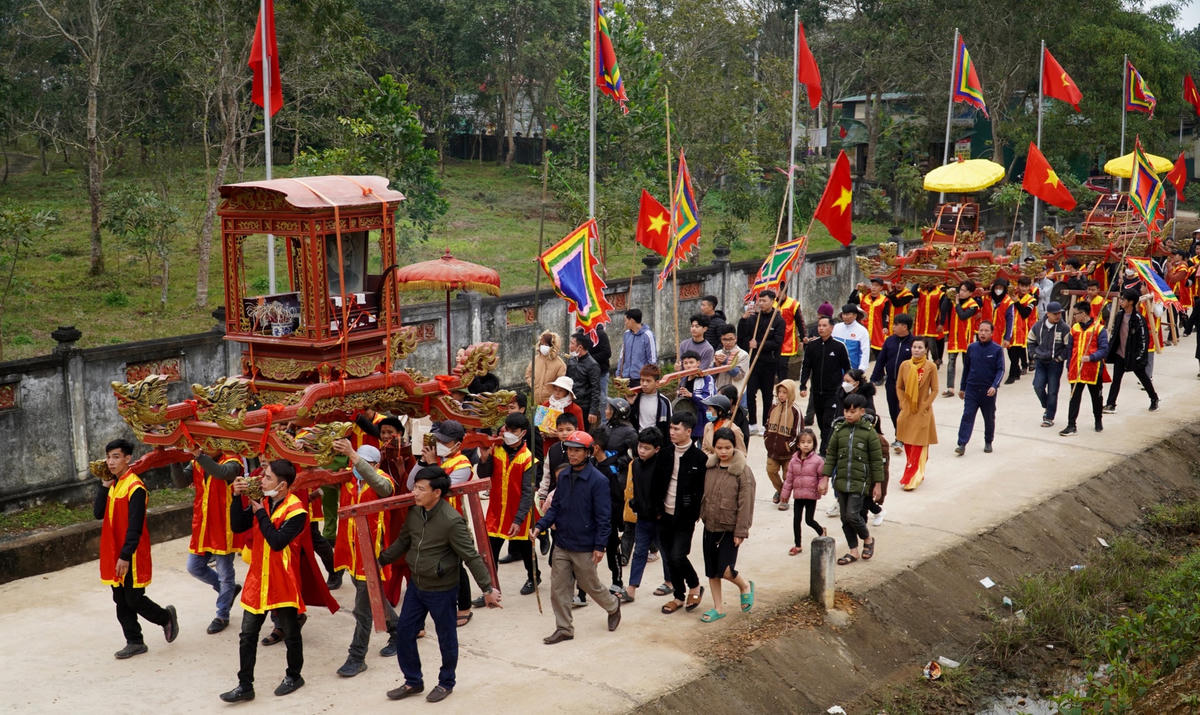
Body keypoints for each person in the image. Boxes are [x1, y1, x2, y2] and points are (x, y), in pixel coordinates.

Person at [380, 467, 501, 703]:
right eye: (415, 487)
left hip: (442, 590)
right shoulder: (415, 512)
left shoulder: (452, 521)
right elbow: (403, 541)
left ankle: (446, 682)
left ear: (437, 493)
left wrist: (487, 589)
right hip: (417, 586)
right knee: (404, 633)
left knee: (446, 638)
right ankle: (413, 681)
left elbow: (471, 556)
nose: (414, 492)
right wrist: (379, 560)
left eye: (420, 489)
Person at [220, 459, 306, 702]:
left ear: (283, 485)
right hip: (258, 578)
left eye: (267, 477)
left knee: (290, 632)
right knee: (247, 634)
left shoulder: (297, 510)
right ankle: (244, 685)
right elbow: (238, 526)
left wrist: (260, 513)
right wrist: (237, 498)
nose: (261, 480)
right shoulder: (264, 501)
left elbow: (277, 542)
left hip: (281, 579)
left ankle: (294, 675)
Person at [532, 431, 622, 644]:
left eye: (577, 450)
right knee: (558, 588)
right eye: (569, 450)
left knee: (590, 584)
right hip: (562, 542)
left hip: (585, 544)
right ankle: (564, 628)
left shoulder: (598, 481)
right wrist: (540, 526)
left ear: (588, 453)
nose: (572, 454)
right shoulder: (563, 476)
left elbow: (603, 516)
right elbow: (556, 507)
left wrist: (600, 545)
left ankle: (612, 606)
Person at [95, 439, 178, 660]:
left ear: (127, 458)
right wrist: (103, 486)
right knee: (119, 599)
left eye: (115, 457)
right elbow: (97, 513)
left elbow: (135, 525)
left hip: (130, 552)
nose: (110, 462)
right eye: (109, 457)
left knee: (133, 598)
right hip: (113, 551)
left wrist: (125, 555)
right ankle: (134, 641)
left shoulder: (136, 488)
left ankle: (165, 617)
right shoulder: (113, 484)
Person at [329, 440, 398, 677]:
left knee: (363, 609)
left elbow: (383, 488)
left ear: (376, 464)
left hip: (372, 554)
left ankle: (357, 657)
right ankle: (399, 631)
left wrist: (353, 455)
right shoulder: (349, 480)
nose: (358, 466)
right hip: (351, 552)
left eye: (365, 463)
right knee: (373, 595)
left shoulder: (384, 481)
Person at [408, 420, 476, 627]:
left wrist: (432, 466)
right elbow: (411, 485)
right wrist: (421, 462)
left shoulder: (462, 464)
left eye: (443, 441)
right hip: (430, 520)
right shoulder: (433, 460)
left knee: (456, 563)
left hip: (453, 521)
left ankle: (464, 606)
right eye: (436, 440)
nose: (438, 444)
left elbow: (443, 489)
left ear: (456, 443)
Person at [183, 445, 243, 634]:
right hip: (202, 524)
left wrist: (200, 456)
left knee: (225, 572)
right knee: (194, 567)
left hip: (223, 525)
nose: (205, 446)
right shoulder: (197, 461)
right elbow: (180, 481)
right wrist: (173, 461)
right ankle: (228, 591)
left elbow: (221, 473)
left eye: (210, 442)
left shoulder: (233, 461)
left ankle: (222, 614)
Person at [697, 428, 756, 622]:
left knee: (726, 570)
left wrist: (741, 530)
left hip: (730, 528)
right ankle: (718, 607)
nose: (723, 452)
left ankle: (745, 586)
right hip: (710, 526)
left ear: (734, 447)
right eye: (719, 447)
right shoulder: (710, 467)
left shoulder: (743, 472)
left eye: (727, 447)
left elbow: (745, 503)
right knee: (712, 570)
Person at [479, 413, 538, 598]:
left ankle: (534, 578)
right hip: (496, 512)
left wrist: (518, 519)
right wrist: (484, 459)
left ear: (523, 433)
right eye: (507, 428)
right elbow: (483, 474)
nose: (509, 433)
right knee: (491, 553)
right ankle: (490, 589)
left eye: (514, 430)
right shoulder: (496, 449)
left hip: (518, 514)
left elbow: (528, 494)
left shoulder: (528, 459)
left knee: (526, 551)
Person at [656, 413, 708, 614]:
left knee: (678, 555)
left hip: (685, 518)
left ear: (688, 431)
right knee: (669, 557)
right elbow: (656, 483)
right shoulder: (665, 453)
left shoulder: (699, 458)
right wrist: (656, 511)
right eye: (670, 428)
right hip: (664, 514)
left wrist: (694, 513)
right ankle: (678, 596)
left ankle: (694, 586)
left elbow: (701, 490)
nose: (672, 432)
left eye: (676, 429)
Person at [823, 394, 884, 565]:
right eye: (846, 411)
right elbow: (831, 456)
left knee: (852, 514)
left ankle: (868, 539)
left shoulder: (869, 433)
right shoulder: (839, 430)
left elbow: (877, 461)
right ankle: (853, 551)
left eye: (852, 411)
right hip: (841, 481)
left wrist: (877, 485)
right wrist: (825, 478)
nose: (848, 415)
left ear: (861, 411)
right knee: (844, 518)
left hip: (860, 482)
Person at [623, 427, 671, 602]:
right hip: (642, 516)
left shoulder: (662, 465)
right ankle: (631, 588)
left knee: (666, 551)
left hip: (660, 517)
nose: (642, 451)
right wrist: (635, 504)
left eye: (646, 448)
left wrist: (660, 512)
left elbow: (663, 490)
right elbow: (636, 487)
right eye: (640, 446)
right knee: (640, 551)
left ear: (657, 449)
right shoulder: (635, 464)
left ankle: (669, 581)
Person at [799, 316, 852, 456]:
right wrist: (803, 385)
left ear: (831, 328)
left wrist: (847, 388)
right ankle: (826, 444)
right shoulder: (812, 346)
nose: (821, 328)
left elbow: (847, 369)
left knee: (829, 422)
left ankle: (824, 451)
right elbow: (806, 367)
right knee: (822, 422)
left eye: (824, 325)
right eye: (819, 325)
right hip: (816, 392)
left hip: (833, 392)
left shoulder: (839, 347)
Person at [736, 290, 786, 433]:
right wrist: (743, 320)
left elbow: (777, 342)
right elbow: (742, 339)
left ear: (772, 301)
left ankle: (766, 422)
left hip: (769, 362)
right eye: (760, 300)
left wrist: (759, 344)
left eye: (764, 301)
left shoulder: (778, 320)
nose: (761, 303)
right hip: (753, 362)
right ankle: (752, 422)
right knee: (750, 392)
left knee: (767, 394)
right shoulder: (753, 319)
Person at [1104, 289, 1160, 413]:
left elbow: (1143, 340)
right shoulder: (1119, 315)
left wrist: (1139, 356)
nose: (1121, 301)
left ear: (1131, 302)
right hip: (1120, 354)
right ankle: (1110, 404)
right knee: (1116, 380)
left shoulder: (1138, 319)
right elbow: (1115, 335)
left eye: (1123, 299)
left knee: (1144, 378)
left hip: (1132, 355)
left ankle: (1154, 398)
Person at [954, 321, 1005, 455]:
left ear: (992, 333)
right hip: (972, 389)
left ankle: (988, 441)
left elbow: (1001, 370)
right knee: (967, 415)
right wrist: (962, 387)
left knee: (989, 417)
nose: (982, 333)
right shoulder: (971, 348)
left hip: (988, 391)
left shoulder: (997, 349)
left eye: (986, 331)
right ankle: (962, 444)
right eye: (981, 330)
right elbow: (966, 369)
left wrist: (994, 386)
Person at [895, 337, 939, 490]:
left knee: (918, 444)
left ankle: (911, 477)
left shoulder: (931, 366)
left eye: (920, 347)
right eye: (914, 347)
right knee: (908, 441)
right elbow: (899, 386)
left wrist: (926, 405)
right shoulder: (904, 365)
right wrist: (902, 402)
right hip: (908, 409)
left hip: (922, 410)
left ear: (926, 349)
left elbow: (935, 389)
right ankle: (916, 470)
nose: (917, 350)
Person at [1060, 301, 1109, 436]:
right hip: (1076, 369)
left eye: (1075, 314)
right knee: (1074, 397)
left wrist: (1091, 357)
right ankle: (1071, 425)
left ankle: (1098, 420)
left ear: (1084, 314)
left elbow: (1104, 350)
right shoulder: (1074, 328)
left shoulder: (1099, 329)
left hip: (1093, 369)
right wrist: (1068, 367)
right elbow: (1070, 349)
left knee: (1096, 397)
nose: (1074, 317)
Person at [870, 312, 914, 451]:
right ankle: (900, 434)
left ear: (905, 327)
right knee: (892, 410)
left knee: (902, 410)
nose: (893, 327)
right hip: (891, 382)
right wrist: (873, 379)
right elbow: (881, 361)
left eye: (896, 324)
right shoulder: (889, 341)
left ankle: (900, 438)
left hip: (907, 384)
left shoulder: (914, 343)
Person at [780, 428, 827, 555]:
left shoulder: (818, 461)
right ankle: (798, 545)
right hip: (798, 496)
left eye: (809, 442)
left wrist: (822, 487)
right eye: (803, 442)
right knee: (796, 520)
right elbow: (789, 479)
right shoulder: (793, 460)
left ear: (814, 444)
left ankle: (821, 531)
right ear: (798, 444)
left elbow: (822, 477)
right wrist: (784, 495)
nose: (806, 444)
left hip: (811, 495)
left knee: (809, 520)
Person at [1028, 301, 1071, 427]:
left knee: (1053, 390)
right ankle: (1047, 405)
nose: (1058, 316)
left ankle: (1049, 417)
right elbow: (1030, 341)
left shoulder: (1064, 328)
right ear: (1048, 314)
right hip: (1041, 362)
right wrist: (1033, 355)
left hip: (1055, 364)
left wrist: (1060, 358)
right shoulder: (1038, 326)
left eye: (1059, 313)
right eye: (1055, 314)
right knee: (1037, 386)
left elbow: (1068, 347)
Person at [763, 379, 803, 507]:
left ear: (790, 393)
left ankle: (784, 500)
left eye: (784, 392)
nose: (781, 395)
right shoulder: (774, 407)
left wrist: (789, 446)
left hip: (788, 453)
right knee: (771, 471)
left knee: (788, 477)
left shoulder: (796, 411)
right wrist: (766, 439)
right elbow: (767, 425)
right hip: (772, 451)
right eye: (779, 392)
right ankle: (781, 491)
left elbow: (798, 434)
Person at [943, 281, 981, 397]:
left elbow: (963, 316)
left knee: (967, 364)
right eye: (961, 290)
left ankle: (966, 387)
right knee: (951, 362)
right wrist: (948, 297)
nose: (961, 292)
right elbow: (943, 309)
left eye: (965, 291)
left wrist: (957, 303)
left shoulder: (973, 305)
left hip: (965, 337)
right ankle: (950, 388)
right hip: (954, 337)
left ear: (970, 293)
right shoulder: (954, 301)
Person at [537, 376, 585, 455]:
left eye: (561, 390)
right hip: (546, 446)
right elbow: (537, 426)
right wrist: (543, 433)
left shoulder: (575, 409)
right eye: (555, 389)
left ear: (567, 392)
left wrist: (561, 433)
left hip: (568, 447)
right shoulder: (545, 405)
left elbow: (580, 431)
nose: (557, 393)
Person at [675, 351, 714, 442]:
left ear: (698, 363)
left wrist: (692, 395)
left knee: (704, 449)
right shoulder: (683, 380)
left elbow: (709, 400)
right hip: (688, 422)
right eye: (685, 363)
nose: (688, 366)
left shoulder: (706, 378)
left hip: (703, 420)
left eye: (691, 362)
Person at [566, 332, 603, 428]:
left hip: (584, 407)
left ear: (580, 347)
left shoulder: (593, 365)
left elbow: (596, 389)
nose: (569, 346)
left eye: (572, 344)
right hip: (570, 403)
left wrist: (593, 411)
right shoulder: (571, 360)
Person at [849, 278, 890, 358]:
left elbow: (885, 315)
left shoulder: (884, 300)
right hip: (863, 327)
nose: (874, 287)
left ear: (881, 288)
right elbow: (850, 301)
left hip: (877, 330)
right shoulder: (863, 297)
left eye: (876, 286)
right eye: (872, 285)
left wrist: (885, 326)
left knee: (879, 354)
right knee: (859, 353)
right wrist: (856, 289)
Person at [1007, 276, 1037, 383]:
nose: (1023, 288)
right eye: (1022, 286)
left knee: (1016, 350)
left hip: (1023, 328)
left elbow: (1025, 314)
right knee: (1010, 350)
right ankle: (1018, 369)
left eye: (1026, 286)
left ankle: (1014, 374)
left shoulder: (1031, 300)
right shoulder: (1013, 295)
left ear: (1029, 287)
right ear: (1018, 286)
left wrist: (1017, 302)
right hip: (1011, 327)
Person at [526, 331, 567, 406]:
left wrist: (551, 392)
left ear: (552, 346)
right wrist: (534, 385)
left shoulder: (560, 364)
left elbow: (560, 384)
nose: (543, 346)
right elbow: (528, 375)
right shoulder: (535, 359)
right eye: (541, 344)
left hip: (552, 402)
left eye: (546, 344)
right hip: (536, 400)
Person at [629, 364, 671, 436]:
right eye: (642, 380)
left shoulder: (664, 402)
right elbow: (630, 422)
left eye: (648, 381)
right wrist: (631, 404)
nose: (644, 384)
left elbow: (668, 426)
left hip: (656, 441)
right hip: (639, 439)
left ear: (657, 383)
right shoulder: (636, 398)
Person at [617, 308, 657, 381]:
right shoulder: (626, 334)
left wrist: (649, 378)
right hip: (625, 378)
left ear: (632, 320)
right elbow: (622, 356)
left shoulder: (648, 335)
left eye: (626, 320)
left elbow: (652, 360)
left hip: (641, 379)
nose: (625, 323)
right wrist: (619, 374)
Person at [776, 291, 806, 381]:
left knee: (783, 365)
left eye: (780, 292)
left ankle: (784, 385)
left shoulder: (793, 304)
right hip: (774, 339)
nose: (778, 294)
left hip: (788, 339)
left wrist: (803, 337)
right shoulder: (772, 302)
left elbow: (800, 322)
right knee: (776, 365)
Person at [712, 324, 750, 395]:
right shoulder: (717, 353)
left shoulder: (743, 355)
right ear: (721, 339)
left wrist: (726, 362)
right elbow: (712, 376)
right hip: (719, 391)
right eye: (724, 339)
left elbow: (739, 376)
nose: (728, 342)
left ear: (736, 338)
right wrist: (716, 365)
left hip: (735, 393)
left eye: (730, 339)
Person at [831, 303, 871, 371]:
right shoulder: (836, 327)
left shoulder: (862, 331)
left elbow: (865, 352)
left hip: (852, 369)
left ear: (855, 315)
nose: (845, 317)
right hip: (835, 368)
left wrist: (861, 370)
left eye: (848, 314)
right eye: (844, 314)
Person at [588, 322, 613, 404]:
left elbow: (607, 353)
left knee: (602, 399)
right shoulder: (583, 333)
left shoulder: (601, 334)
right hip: (587, 373)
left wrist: (589, 359)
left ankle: (604, 416)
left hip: (601, 372)